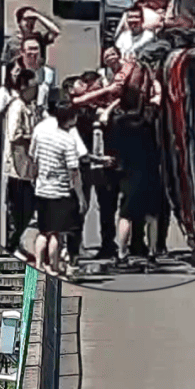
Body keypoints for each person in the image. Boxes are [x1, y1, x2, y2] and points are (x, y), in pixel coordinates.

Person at [106, 66, 163, 266]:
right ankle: (152, 253)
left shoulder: (119, 121)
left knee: (125, 215)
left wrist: (114, 104)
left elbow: (105, 118)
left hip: (128, 171)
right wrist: (155, 83)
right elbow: (158, 99)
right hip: (149, 170)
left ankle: (122, 253)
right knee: (152, 215)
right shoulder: (147, 117)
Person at [30, 101, 89, 276]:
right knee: (56, 233)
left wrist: (36, 178)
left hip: (42, 188)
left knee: (43, 231)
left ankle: (40, 264)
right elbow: (74, 171)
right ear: (71, 119)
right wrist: (80, 196)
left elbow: (33, 157)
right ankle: (54, 267)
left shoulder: (41, 133)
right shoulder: (68, 140)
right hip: (60, 191)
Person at [67, 74, 120, 259]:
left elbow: (120, 98)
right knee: (82, 206)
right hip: (86, 164)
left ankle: (108, 245)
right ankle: (74, 249)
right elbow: (76, 102)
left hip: (106, 166)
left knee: (107, 207)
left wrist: (108, 107)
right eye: (96, 87)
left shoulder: (105, 108)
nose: (100, 91)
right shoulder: (80, 109)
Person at [3, 69, 39, 251]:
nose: (36, 91)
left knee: (28, 211)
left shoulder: (29, 107)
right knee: (19, 214)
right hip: (17, 170)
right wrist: (32, 136)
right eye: (33, 87)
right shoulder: (17, 106)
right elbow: (13, 135)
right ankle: (12, 247)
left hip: (27, 170)